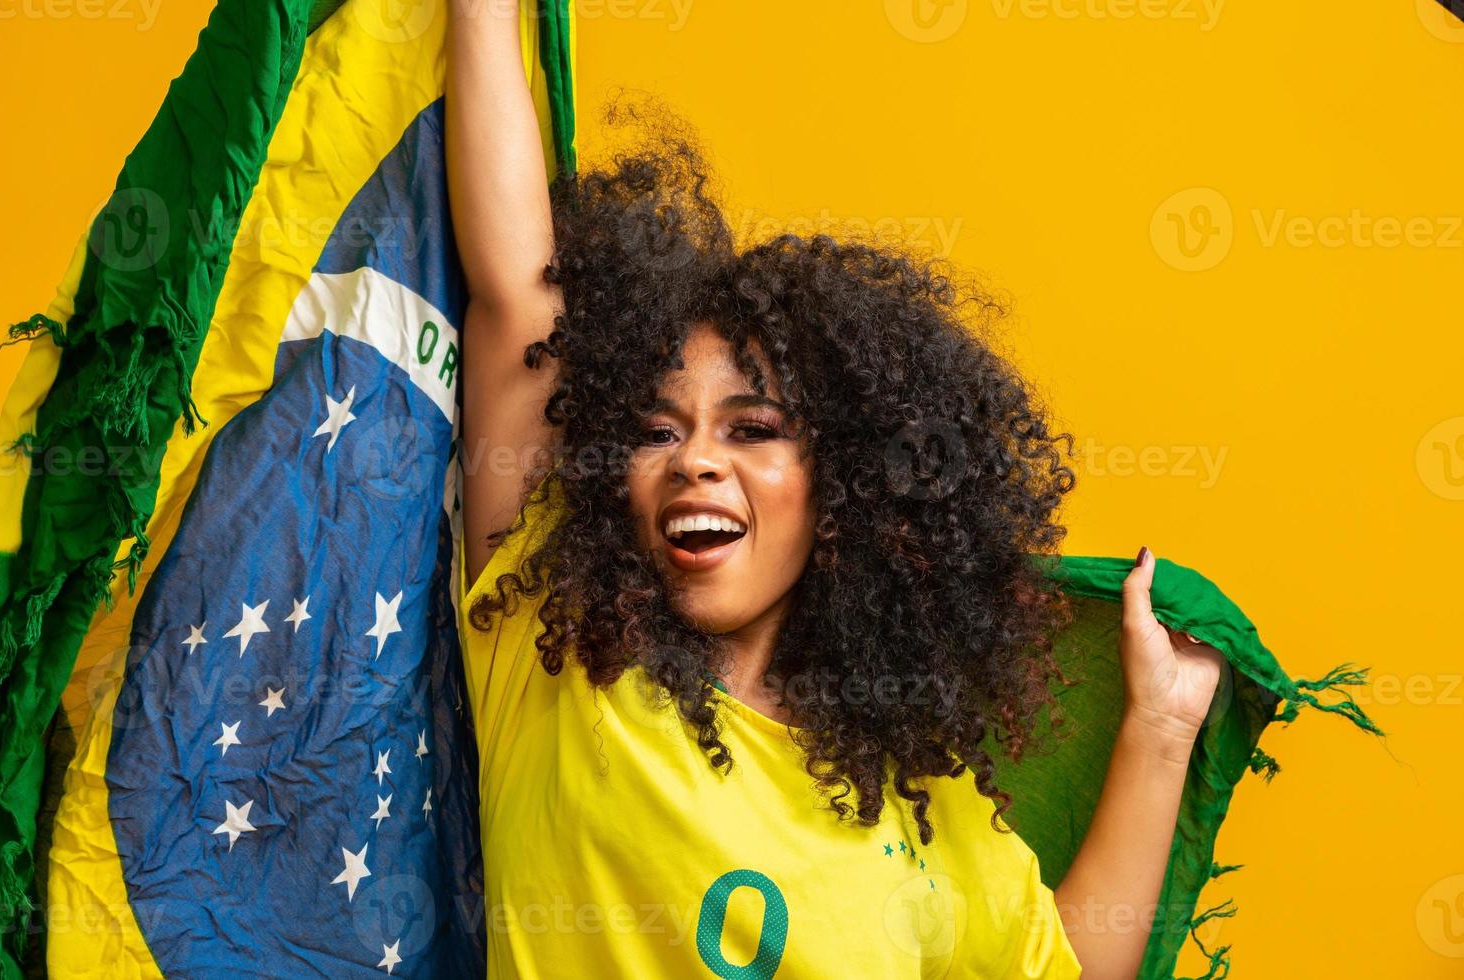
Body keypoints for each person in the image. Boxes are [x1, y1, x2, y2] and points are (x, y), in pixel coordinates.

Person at [445, 2, 1225, 976]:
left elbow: (1063, 965)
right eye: (655, 429)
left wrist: (1162, 726)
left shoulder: (914, 807)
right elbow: (519, 294)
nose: (694, 457)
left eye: (753, 427)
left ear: (844, 487)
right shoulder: (557, 654)